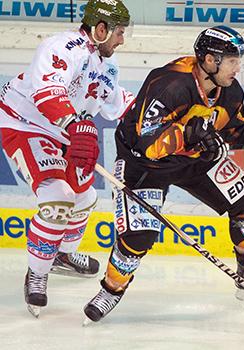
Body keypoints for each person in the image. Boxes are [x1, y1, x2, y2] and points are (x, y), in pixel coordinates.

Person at [84, 25, 244, 322]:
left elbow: (238, 127)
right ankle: (111, 290)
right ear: (210, 60)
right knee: (139, 237)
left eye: (239, 60)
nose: (237, 67)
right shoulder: (169, 83)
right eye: (232, 60)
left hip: (195, 160)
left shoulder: (230, 90)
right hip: (144, 166)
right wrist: (191, 135)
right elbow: (146, 142)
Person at [0, 0, 134, 317]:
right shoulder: (60, 46)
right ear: (101, 29)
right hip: (25, 124)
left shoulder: (106, 66)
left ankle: (61, 254)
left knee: (85, 197)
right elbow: (48, 93)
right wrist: (77, 126)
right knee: (58, 199)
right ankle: (37, 272)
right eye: (118, 32)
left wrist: (162, 116)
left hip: (62, 132)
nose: (121, 40)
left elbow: (121, 105)